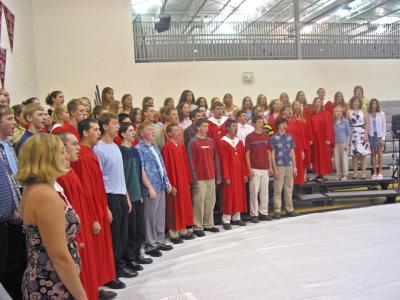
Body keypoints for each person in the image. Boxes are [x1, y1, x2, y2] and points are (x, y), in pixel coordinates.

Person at [15, 134, 88, 300]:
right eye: (62, 152)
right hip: (53, 284)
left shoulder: (33, 189)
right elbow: (59, 258)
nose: (67, 156)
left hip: (46, 278)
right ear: (47, 158)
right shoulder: (45, 196)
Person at [55, 132, 106, 300]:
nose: (78, 148)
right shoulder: (62, 177)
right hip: (76, 232)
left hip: (82, 225)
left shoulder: (69, 171)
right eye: (74, 144)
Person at [72, 119, 119, 289]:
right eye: (95, 129)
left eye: (99, 129)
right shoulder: (82, 157)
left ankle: (101, 282)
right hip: (92, 212)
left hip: (99, 208)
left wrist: (105, 208)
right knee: (94, 252)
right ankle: (95, 287)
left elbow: (97, 187)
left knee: (102, 249)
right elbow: (86, 192)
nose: (99, 133)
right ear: (85, 132)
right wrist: (93, 218)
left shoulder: (90, 153)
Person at [93, 113, 137, 281]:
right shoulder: (98, 148)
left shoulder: (115, 147)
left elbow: (120, 175)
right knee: (114, 236)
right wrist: (105, 206)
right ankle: (113, 272)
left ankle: (120, 265)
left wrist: (126, 196)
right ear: (104, 127)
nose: (118, 126)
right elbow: (99, 179)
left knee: (122, 234)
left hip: (120, 195)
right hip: (109, 196)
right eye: (114, 123)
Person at [135, 121, 173, 257]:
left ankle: (160, 240)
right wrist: (149, 187)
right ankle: (151, 244)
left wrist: (167, 182)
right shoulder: (139, 149)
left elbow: (162, 166)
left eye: (153, 130)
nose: (152, 132)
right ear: (141, 133)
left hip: (161, 184)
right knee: (150, 217)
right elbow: (142, 170)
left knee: (159, 216)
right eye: (149, 130)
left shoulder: (155, 147)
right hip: (151, 187)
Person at [118, 123, 151, 272]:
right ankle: (130, 259)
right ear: (123, 134)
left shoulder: (135, 151)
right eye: (131, 131)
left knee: (139, 228)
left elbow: (138, 173)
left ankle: (138, 254)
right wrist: (128, 196)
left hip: (138, 195)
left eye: (134, 130)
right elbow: (121, 176)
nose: (134, 133)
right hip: (128, 196)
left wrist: (140, 193)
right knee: (130, 230)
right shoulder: (120, 151)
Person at [0, 107, 25, 300]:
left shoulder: (8, 145)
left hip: (17, 216)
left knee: (17, 266)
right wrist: (8, 212)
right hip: (4, 219)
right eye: (9, 119)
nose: (14, 122)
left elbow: (15, 180)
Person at [187, 118, 221, 236]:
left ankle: (208, 224)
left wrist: (218, 174)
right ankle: (197, 226)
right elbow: (190, 161)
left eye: (207, 126)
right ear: (198, 127)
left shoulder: (211, 141)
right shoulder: (193, 142)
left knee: (210, 201)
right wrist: (194, 178)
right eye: (204, 126)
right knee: (198, 202)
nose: (206, 128)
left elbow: (216, 159)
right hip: (199, 178)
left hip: (211, 176)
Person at [162, 123, 194, 244]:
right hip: (175, 182)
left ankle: (183, 229)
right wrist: (171, 184)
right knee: (174, 207)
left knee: (184, 205)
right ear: (169, 133)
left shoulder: (180, 146)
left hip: (183, 181)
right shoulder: (167, 148)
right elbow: (167, 168)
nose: (179, 132)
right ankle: (173, 231)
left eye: (179, 130)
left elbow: (185, 164)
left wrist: (188, 180)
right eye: (175, 130)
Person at [218, 119, 248, 230]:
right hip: (229, 174)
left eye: (237, 126)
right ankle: (226, 219)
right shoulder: (222, 142)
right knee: (228, 195)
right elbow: (223, 161)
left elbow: (243, 159)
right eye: (234, 126)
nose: (236, 128)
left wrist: (244, 173)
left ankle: (237, 217)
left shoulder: (239, 142)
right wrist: (225, 176)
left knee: (238, 194)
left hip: (239, 174)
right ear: (228, 128)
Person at [245, 115, 273, 223]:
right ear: (254, 124)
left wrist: (270, 166)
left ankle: (263, 212)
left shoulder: (266, 136)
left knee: (264, 192)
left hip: (265, 168)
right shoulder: (249, 137)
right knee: (254, 192)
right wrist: (249, 168)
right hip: (254, 168)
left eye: (262, 122)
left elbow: (269, 151)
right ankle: (254, 214)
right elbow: (247, 154)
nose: (261, 124)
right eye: (259, 122)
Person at [270, 117, 298, 219]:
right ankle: (277, 210)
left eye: (286, 123)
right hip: (279, 166)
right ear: (278, 125)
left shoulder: (289, 137)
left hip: (289, 165)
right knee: (278, 189)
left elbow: (292, 152)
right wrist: (274, 168)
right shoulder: (273, 138)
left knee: (289, 189)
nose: (285, 126)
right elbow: (272, 154)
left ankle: (289, 209)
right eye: (282, 124)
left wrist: (295, 166)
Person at [309, 97, 334, 181]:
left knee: (323, 157)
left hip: (323, 139)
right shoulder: (311, 115)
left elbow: (329, 127)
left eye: (319, 102)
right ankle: (318, 174)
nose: (318, 103)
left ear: (321, 103)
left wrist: (328, 139)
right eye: (316, 102)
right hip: (315, 139)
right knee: (316, 157)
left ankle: (323, 175)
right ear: (313, 104)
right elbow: (310, 127)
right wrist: (311, 138)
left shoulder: (326, 113)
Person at [284, 105, 307, 185]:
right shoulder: (281, 123)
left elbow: (302, 137)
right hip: (285, 150)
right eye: (287, 109)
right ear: (283, 112)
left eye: (291, 109)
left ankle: (297, 189)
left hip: (297, 149)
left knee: (298, 168)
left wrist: (303, 150)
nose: (290, 111)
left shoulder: (297, 122)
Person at [349, 96, 370, 179]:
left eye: (358, 101)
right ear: (352, 102)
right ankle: (355, 173)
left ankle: (363, 173)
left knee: (363, 154)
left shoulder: (364, 111)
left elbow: (367, 124)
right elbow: (347, 124)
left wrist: (366, 134)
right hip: (353, 134)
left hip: (362, 133)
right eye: (355, 101)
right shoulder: (348, 112)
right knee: (354, 155)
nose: (357, 102)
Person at [333, 106, 351, 181]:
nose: (338, 113)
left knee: (344, 159)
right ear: (334, 113)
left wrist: (347, 144)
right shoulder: (332, 122)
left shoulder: (345, 121)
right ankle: (339, 174)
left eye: (340, 111)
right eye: (337, 111)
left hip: (344, 143)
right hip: (336, 143)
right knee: (337, 160)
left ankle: (345, 175)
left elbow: (348, 134)